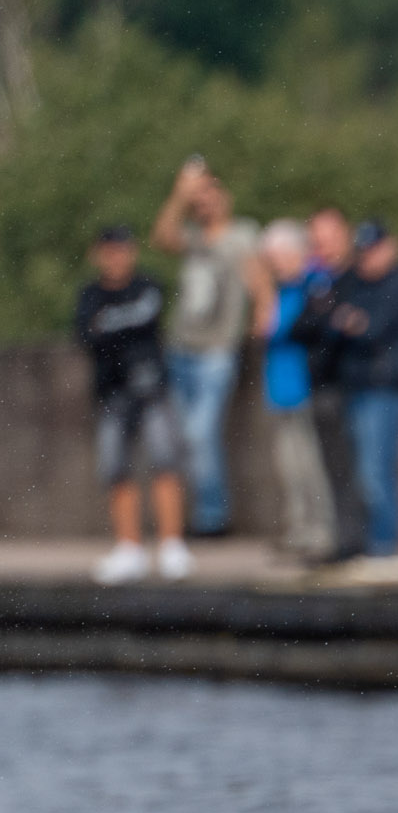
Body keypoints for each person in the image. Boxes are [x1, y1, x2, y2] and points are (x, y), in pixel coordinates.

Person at [76, 225, 189, 587]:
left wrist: (110, 327)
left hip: (152, 388)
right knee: (116, 469)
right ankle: (130, 548)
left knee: (165, 461)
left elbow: (140, 322)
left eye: (122, 249)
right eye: (109, 250)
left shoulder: (148, 285)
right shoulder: (89, 295)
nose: (116, 257)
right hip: (112, 392)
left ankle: (171, 545)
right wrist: (119, 328)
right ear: (98, 254)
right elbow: (86, 336)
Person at [150, 159, 257, 537]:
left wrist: (260, 323)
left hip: (217, 351)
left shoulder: (242, 235)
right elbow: (161, 237)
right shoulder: (194, 238)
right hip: (181, 349)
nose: (206, 204)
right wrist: (180, 195)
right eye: (201, 200)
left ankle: (214, 516)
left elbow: (259, 283)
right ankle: (196, 516)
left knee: (200, 434)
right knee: (185, 440)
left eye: (212, 196)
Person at [332, 219, 398, 579]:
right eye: (363, 251)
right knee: (365, 472)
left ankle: (386, 546)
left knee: (377, 470)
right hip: (360, 389)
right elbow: (339, 321)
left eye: (373, 250)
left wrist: (353, 323)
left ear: (391, 246)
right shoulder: (357, 285)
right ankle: (376, 544)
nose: (367, 258)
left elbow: (370, 329)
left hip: (386, 390)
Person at [252, 220, 335, 566]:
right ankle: (299, 528)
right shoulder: (280, 290)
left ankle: (322, 530)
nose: (275, 264)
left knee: (310, 464)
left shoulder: (314, 284)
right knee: (288, 465)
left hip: (306, 388)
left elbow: (296, 329)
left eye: (279, 256)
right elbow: (262, 330)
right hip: (280, 390)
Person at [296, 207, 362, 559]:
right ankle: (342, 541)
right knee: (331, 470)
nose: (323, 247)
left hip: (349, 388)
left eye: (330, 239)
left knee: (355, 470)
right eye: (317, 240)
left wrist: (327, 322)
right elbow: (300, 327)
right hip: (320, 387)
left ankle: (356, 543)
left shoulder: (356, 279)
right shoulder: (317, 283)